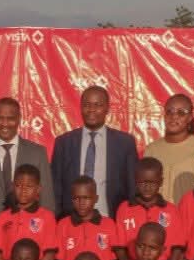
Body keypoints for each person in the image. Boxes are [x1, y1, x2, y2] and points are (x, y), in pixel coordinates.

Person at [51, 86, 139, 217]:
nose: (91, 109)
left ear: (107, 108)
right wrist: (57, 219)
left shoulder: (125, 143)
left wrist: (131, 218)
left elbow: (132, 186)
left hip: (111, 218)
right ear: (80, 107)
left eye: (97, 105)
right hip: (71, 220)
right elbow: (55, 187)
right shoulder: (63, 142)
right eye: (87, 105)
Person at [0, 96, 55, 215]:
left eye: (10, 119)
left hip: (28, 224)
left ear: (19, 119)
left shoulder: (38, 153)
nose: (4, 124)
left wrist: (48, 222)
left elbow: (47, 199)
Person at [0, 164, 58, 260]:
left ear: (38, 189)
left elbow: (49, 255)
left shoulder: (47, 217)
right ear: (13, 187)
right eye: (18, 185)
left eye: (29, 186)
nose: (23, 190)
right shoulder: (2, 218)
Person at [114, 158, 183, 260]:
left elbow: (177, 248)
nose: (147, 187)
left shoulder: (171, 210)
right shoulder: (124, 209)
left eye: (152, 183)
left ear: (160, 182)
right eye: (142, 182)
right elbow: (119, 248)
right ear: (135, 180)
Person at [143, 94, 194, 202]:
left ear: (190, 118)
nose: (174, 116)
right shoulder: (151, 150)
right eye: (169, 111)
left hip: (190, 211)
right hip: (157, 212)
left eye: (181, 112)